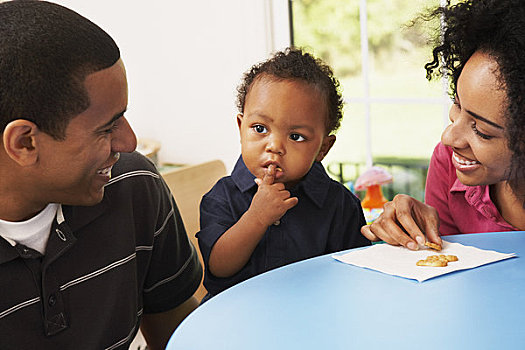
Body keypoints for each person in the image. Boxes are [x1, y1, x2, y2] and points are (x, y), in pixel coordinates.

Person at [0, 1, 202, 349]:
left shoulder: (136, 186)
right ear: (24, 142)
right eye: (107, 128)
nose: (129, 141)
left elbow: (183, 335)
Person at [197, 48, 370, 299]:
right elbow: (219, 267)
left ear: (323, 148)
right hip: (236, 319)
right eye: (260, 128)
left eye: (296, 136)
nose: (275, 146)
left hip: (314, 318)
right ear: (241, 127)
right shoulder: (222, 197)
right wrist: (256, 218)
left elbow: (356, 274)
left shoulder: (340, 205)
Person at [361, 0, 525, 250]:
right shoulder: (448, 163)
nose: (449, 137)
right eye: (458, 105)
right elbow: (450, 270)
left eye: (481, 131)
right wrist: (417, 234)